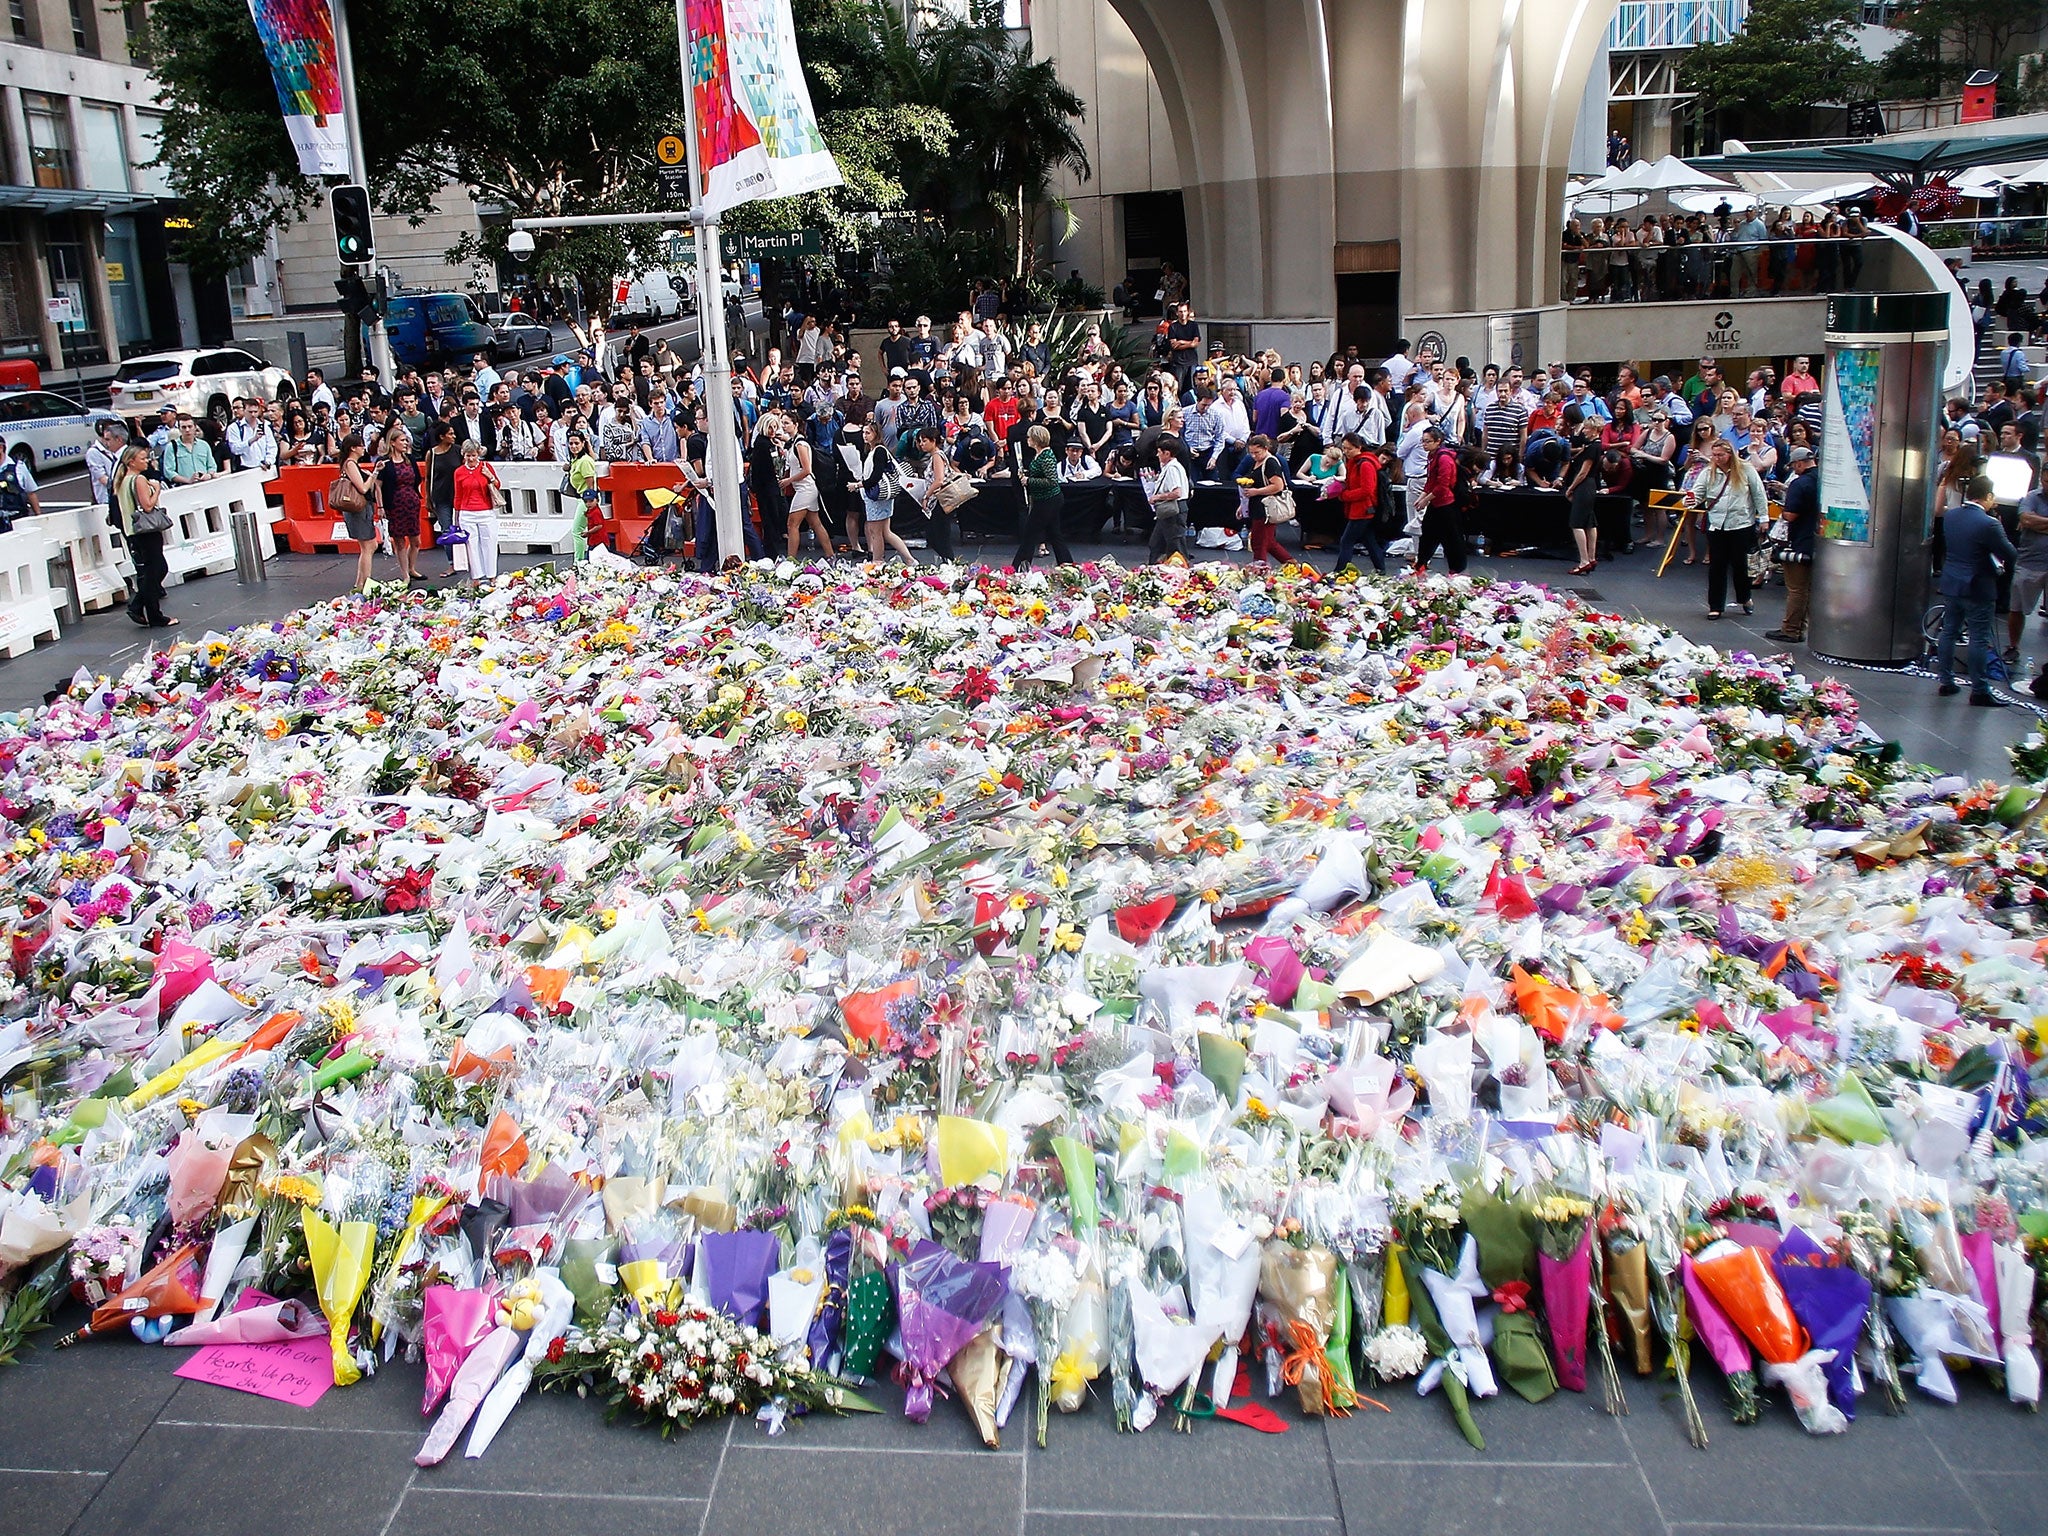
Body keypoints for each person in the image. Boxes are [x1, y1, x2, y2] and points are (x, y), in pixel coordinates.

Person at [1937, 474, 2016, 706]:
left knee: (1949, 631)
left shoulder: (1951, 516)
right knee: (1978, 638)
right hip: (1978, 586)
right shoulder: (1989, 523)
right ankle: (1980, 689)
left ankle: (1946, 680)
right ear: (1988, 496)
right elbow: (2010, 554)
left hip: (1952, 582)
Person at [1690, 436, 1765, 619]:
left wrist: (1763, 518)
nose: (1716, 458)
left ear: (1730, 454)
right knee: (1717, 566)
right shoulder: (1709, 473)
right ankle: (1715, 605)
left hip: (1741, 523)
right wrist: (1690, 500)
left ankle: (1744, 596)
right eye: (1714, 455)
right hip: (1717, 524)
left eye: (1720, 455)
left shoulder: (1746, 469)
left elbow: (1758, 493)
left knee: (1741, 565)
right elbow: (1698, 491)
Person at [113, 445, 174, 628]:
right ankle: (151, 612)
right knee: (155, 570)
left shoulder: (122, 480)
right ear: (132, 461)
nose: (146, 461)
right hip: (145, 531)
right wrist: (156, 490)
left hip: (134, 532)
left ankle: (139, 606)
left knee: (153, 570)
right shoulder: (138, 479)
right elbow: (147, 506)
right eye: (142, 459)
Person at [1764, 445, 1819, 644]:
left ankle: (1791, 629)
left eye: (1794, 465)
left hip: (1800, 541)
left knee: (1797, 589)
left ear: (1799, 463)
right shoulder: (1823, 480)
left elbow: (1791, 515)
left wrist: (1783, 510)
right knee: (1809, 588)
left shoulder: (1800, 483)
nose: (1794, 469)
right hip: (1820, 540)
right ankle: (1805, 627)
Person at [854, 419, 914, 565]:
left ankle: (878, 560)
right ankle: (908, 558)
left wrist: (860, 485)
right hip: (882, 493)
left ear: (876, 434)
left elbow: (876, 475)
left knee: (876, 531)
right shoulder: (875, 450)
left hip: (876, 494)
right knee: (885, 531)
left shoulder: (878, 450)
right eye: (863, 433)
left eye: (868, 433)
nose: (865, 435)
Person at [1013, 422, 1073, 569]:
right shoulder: (1040, 454)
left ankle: (1018, 568)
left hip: (1048, 501)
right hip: (1045, 499)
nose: (1027, 439)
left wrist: (1029, 480)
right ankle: (1067, 564)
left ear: (1036, 439)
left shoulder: (1046, 456)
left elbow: (1052, 481)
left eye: (1029, 437)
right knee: (1055, 534)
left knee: (1030, 534)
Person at [1413, 424, 1466, 574]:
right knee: (1427, 535)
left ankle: (1455, 570)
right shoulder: (1432, 457)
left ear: (1438, 441)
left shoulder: (1444, 459)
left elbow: (1443, 485)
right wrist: (1422, 496)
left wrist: (1425, 500)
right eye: (1423, 441)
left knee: (1451, 539)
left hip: (1447, 504)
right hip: (1436, 503)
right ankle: (1421, 565)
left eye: (1427, 441)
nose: (1424, 444)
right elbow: (1431, 480)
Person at [375, 425, 424, 584]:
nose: (405, 443)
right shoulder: (384, 462)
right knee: (400, 541)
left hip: (411, 502)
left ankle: (412, 567)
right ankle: (405, 574)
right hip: (394, 504)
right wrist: (381, 507)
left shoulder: (410, 460)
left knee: (416, 540)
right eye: (402, 440)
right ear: (393, 442)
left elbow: (417, 480)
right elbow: (378, 486)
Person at [451, 439, 503, 581]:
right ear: (464, 455)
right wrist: (456, 518)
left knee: (490, 542)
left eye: (473, 455)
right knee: (471, 546)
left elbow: (498, 485)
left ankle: (492, 576)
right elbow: (458, 495)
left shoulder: (486, 467)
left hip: (486, 511)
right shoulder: (459, 472)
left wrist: (490, 476)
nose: (471, 458)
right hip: (466, 513)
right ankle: (477, 578)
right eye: (468, 455)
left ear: (478, 453)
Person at [334, 433, 380, 591]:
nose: (363, 448)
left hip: (360, 509)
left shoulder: (350, 464)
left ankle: (359, 583)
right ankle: (365, 583)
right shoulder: (350, 464)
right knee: (368, 546)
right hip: (358, 509)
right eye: (361, 445)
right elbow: (363, 487)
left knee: (369, 545)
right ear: (353, 448)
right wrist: (373, 475)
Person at [1561, 415, 1604, 575]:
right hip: (1591, 486)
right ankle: (1591, 557)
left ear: (1595, 430)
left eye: (1587, 428)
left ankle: (1584, 560)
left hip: (1584, 486)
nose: (1584, 431)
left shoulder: (1593, 448)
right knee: (1590, 522)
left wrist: (1571, 488)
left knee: (1577, 523)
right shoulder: (1595, 445)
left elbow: (1583, 472)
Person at [1241, 433, 1291, 564]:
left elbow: (1278, 486)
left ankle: (1259, 569)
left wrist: (1256, 492)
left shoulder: (1270, 463)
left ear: (1265, 448)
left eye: (1256, 452)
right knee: (1268, 542)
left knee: (1259, 542)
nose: (1253, 456)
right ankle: (1292, 564)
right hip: (1258, 506)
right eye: (1251, 453)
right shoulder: (1258, 462)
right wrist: (1242, 505)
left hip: (1266, 508)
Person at [1144, 436, 1190, 563]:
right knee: (1156, 544)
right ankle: (1154, 570)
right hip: (1168, 512)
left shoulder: (1172, 469)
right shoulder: (1171, 467)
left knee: (1176, 547)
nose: (1157, 455)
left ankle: (1182, 573)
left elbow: (1177, 492)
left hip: (1174, 511)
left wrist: (1157, 497)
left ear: (1167, 453)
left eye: (1159, 452)